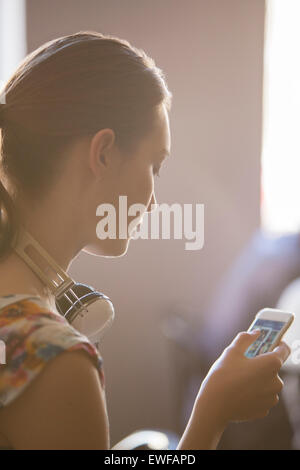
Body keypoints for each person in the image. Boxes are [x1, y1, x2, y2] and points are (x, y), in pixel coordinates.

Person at [0, 31, 291, 450]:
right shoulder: (54, 361)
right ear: (103, 153)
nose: (154, 202)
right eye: (155, 165)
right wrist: (212, 413)